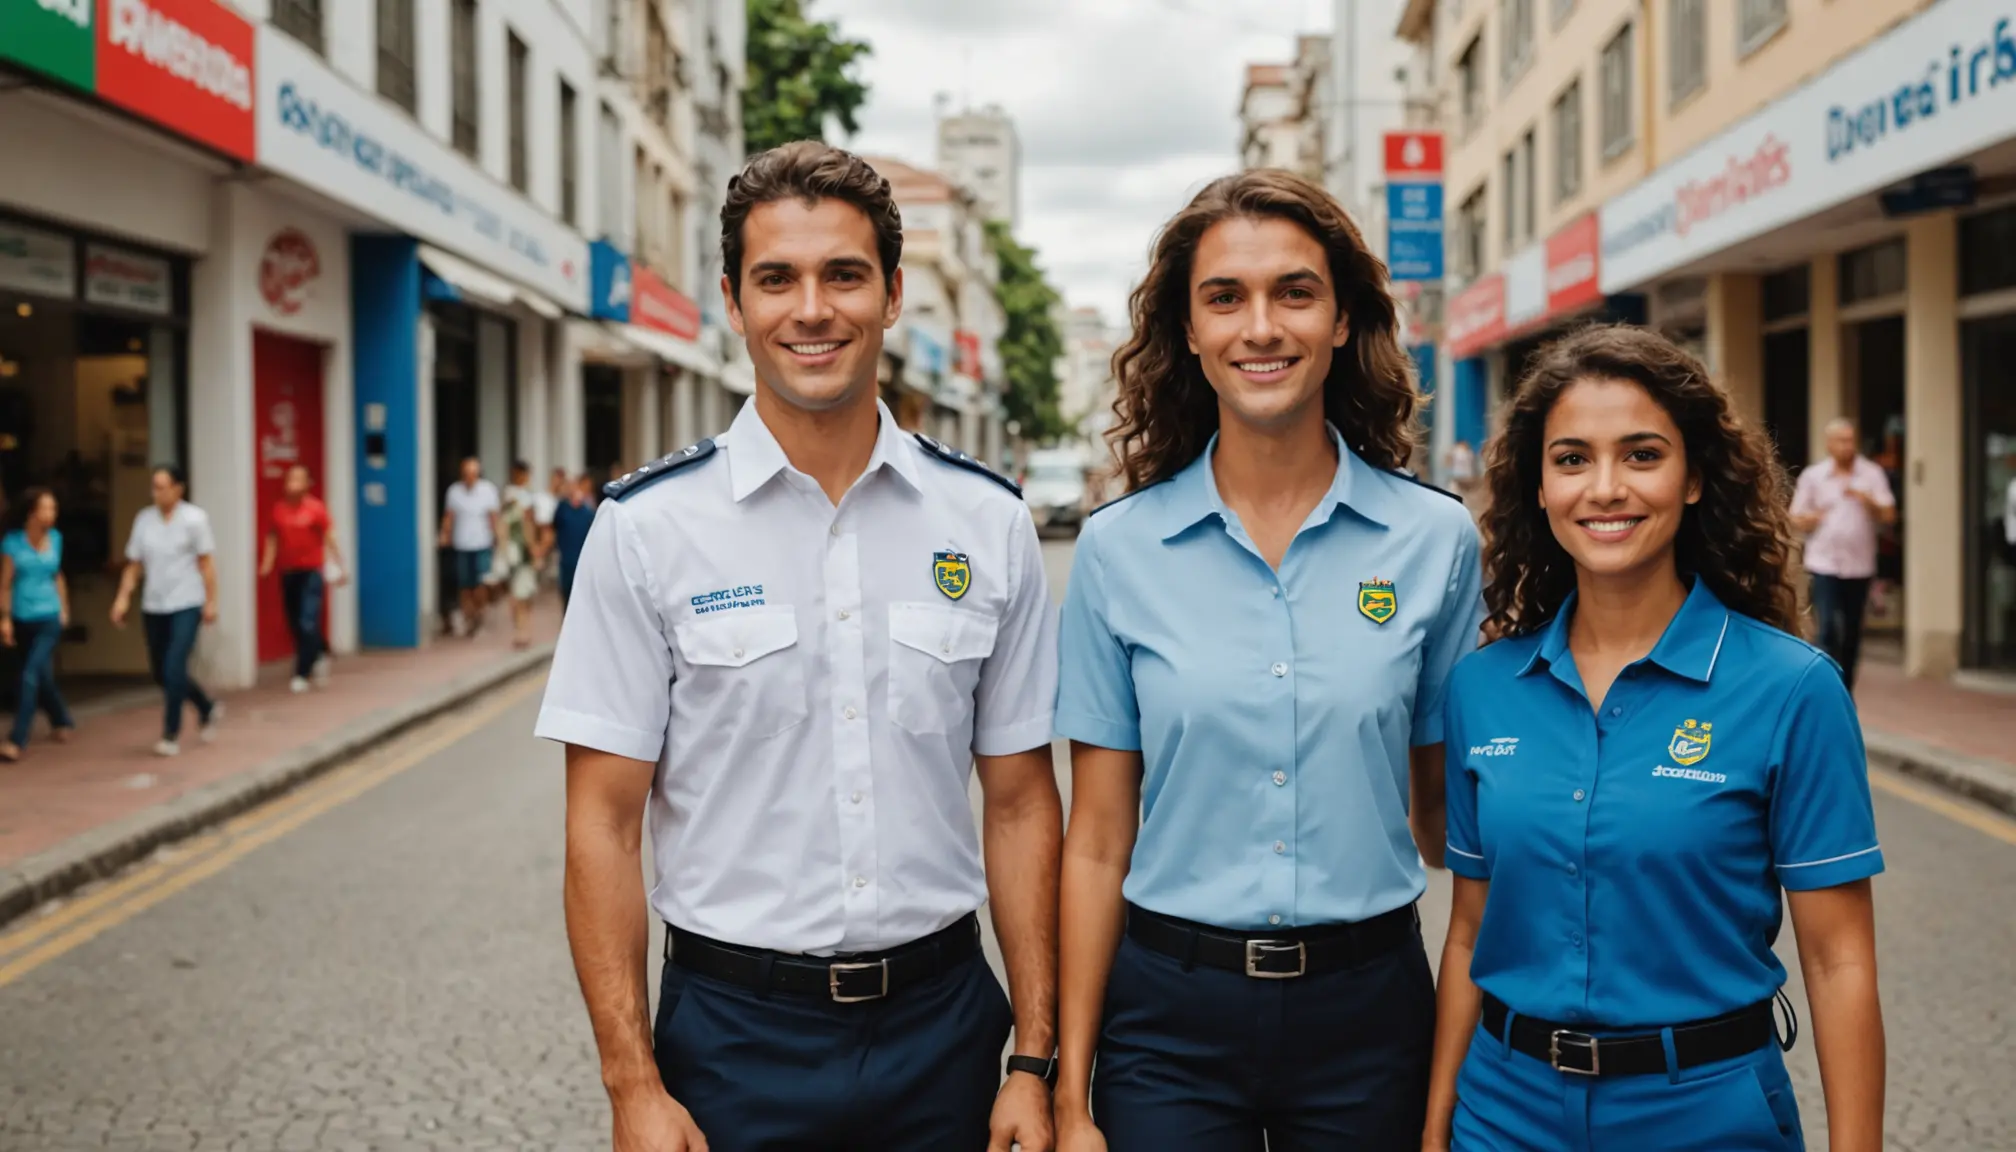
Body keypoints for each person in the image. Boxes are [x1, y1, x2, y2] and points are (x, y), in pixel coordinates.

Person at [536, 142, 1063, 1152]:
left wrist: (1032, 1063)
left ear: (895, 293)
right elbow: (601, 825)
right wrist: (631, 1087)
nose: (811, 309)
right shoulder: (648, 529)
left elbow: (1023, 800)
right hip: (734, 1040)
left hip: (946, 1032)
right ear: (733, 301)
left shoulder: (987, 523)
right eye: (776, 278)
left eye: (844, 275)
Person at [1052, 170, 1483, 1152]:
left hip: (1370, 1012)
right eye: (1225, 298)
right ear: (1190, 331)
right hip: (1167, 1020)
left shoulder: (1436, 543)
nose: (1262, 327)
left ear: (1341, 320)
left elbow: (1446, 817)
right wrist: (1069, 1093)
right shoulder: (1119, 551)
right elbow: (1096, 843)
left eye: (1295, 292)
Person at [1425, 327, 1885, 1152]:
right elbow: (1468, 930)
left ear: (1695, 477)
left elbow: (1840, 961)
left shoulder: (1793, 689)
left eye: (1642, 455)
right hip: (1503, 1114)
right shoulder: (1482, 689)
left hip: (1705, 1115)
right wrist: (1434, 1131)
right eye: (1571, 460)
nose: (1605, 489)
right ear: (1537, 486)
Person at [112, 465, 222, 758]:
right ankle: (206, 706)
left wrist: (211, 601)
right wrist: (123, 598)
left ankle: (170, 733)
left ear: (178, 489)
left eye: (163, 486)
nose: (157, 492)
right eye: (154, 487)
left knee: (175, 666)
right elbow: (134, 564)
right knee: (162, 674)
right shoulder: (144, 520)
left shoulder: (195, 519)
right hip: (154, 604)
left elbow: (206, 564)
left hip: (187, 602)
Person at [1789, 417, 1896, 689]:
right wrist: (1813, 518)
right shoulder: (1813, 476)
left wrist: (1867, 500)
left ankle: (1844, 691)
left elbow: (1889, 515)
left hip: (1859, 566)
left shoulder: (1871, 474)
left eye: (1850, 440)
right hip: (1824, 563)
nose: (1847, 446)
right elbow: (1795, 518)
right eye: (1841, 440)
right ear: (1829, 444)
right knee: (1827, 630)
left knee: (1851, 634)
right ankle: (1823, 687)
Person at [0, 487, 76, 761]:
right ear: (32, 513)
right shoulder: (12, 543)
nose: (51, 514)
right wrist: (5, 618)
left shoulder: (56, 539)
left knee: (30, 674)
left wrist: (64, 609)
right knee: (40, 676)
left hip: (49, 616)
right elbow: (5, 583)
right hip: (22, 616)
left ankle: (17, 738)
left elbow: (58, 576)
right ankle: (62, 719)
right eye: (46, 508)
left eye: (53, 509)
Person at [258, 464, 348, 693]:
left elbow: (330, 535)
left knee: (308, 621)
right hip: (289, 573)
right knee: (295, 623)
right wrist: (267, 561)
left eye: (299, 479)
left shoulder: (315, 509)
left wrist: (340, 564)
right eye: (290, 479)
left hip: (311, 572)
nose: (293, 483)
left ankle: (301, 672)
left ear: (308, 484)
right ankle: (320, 650)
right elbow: (272, 537)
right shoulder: (279, 510)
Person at [439, 456, 501, 638]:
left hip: (482, 543)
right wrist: (445, 535)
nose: (469, 477)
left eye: (473, 474)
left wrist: (498, 538)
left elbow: (493, 517)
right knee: (465, 585)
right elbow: (449, 517)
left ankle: (480, 614)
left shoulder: (487, 490)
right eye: (466, 474)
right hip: (462, 544)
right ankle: (470, 617)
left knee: (481, 583)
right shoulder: (454, 492)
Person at [498, 461, 544, 648]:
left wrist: (502, 549)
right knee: (524, 593)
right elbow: (528, 526)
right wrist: (534, 550)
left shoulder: (507, 496)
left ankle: (520, 629)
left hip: (511, 551)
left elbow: (502, 526)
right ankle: (523, 631)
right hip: (522, 551)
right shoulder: (523, 498)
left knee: (517, 591)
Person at [549, 474, 596, 610]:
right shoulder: (562, 508)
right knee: (566, 599)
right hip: (566, 563)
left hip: (583, 564)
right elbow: (552, 529)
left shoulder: (588, 512)